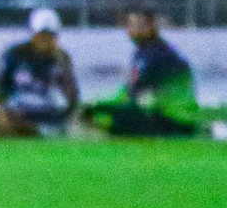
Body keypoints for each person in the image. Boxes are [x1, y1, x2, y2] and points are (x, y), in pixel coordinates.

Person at [83, 9, 198, 137]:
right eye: (129, 24)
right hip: (171, 116)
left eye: (135, 25)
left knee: (106, 114)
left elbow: (132, 93)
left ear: (150, 26)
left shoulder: (156, 55)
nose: (130, 30)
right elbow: (131, 91)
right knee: (107, 111)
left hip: (172, 119)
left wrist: (97, 104)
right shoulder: (149, 51)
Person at [0, 8, 79, 137]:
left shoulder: (61, 59)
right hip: (19, 106)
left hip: (48, 111)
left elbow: (71, 93)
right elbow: (0, 84)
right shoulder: (16, 55)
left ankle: (30, 130)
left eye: (49, 36)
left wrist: (69, 113)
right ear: (34, 34)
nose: (45, 40)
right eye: (42, 35)